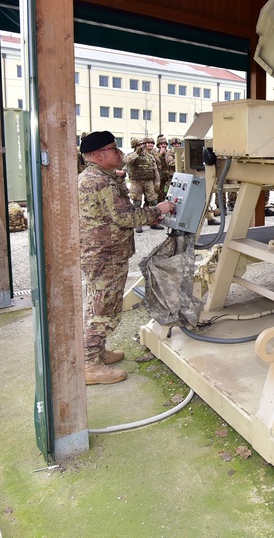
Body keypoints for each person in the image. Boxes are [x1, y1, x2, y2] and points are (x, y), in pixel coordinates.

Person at [78, 131, 175, 384]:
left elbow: (116, 213)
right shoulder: (101, 182)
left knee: (95, 304)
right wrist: (159, 208)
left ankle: (95, 353)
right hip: (106, 256)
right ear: (99, 155)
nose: (119, 152)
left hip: (97, 254)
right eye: (113, 148)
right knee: (105, 310)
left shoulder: (94, 177)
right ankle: (89, 365)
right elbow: (125, 218)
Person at [124, 137, 162, 232]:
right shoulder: (131, 156)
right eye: (138, 145)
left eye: (141, 144)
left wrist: (157, 183)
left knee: (154, 202)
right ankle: (138, 224)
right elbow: (126, 161)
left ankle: (154, 222)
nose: (141, 147)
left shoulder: (150, 157)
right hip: (136, 182)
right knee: (137, 203)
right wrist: (136, 153)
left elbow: (155, 170)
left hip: (148, 182)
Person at [155, 135, 176, 203]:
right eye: (161, 144)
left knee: (168, 193)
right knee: (158, 194)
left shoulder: (169, 153)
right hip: (159, 178)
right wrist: (160, 154)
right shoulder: (155, 153)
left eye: (165, 144)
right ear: (158, 145)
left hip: (168, 177)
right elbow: (154, 162)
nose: (163, 145)